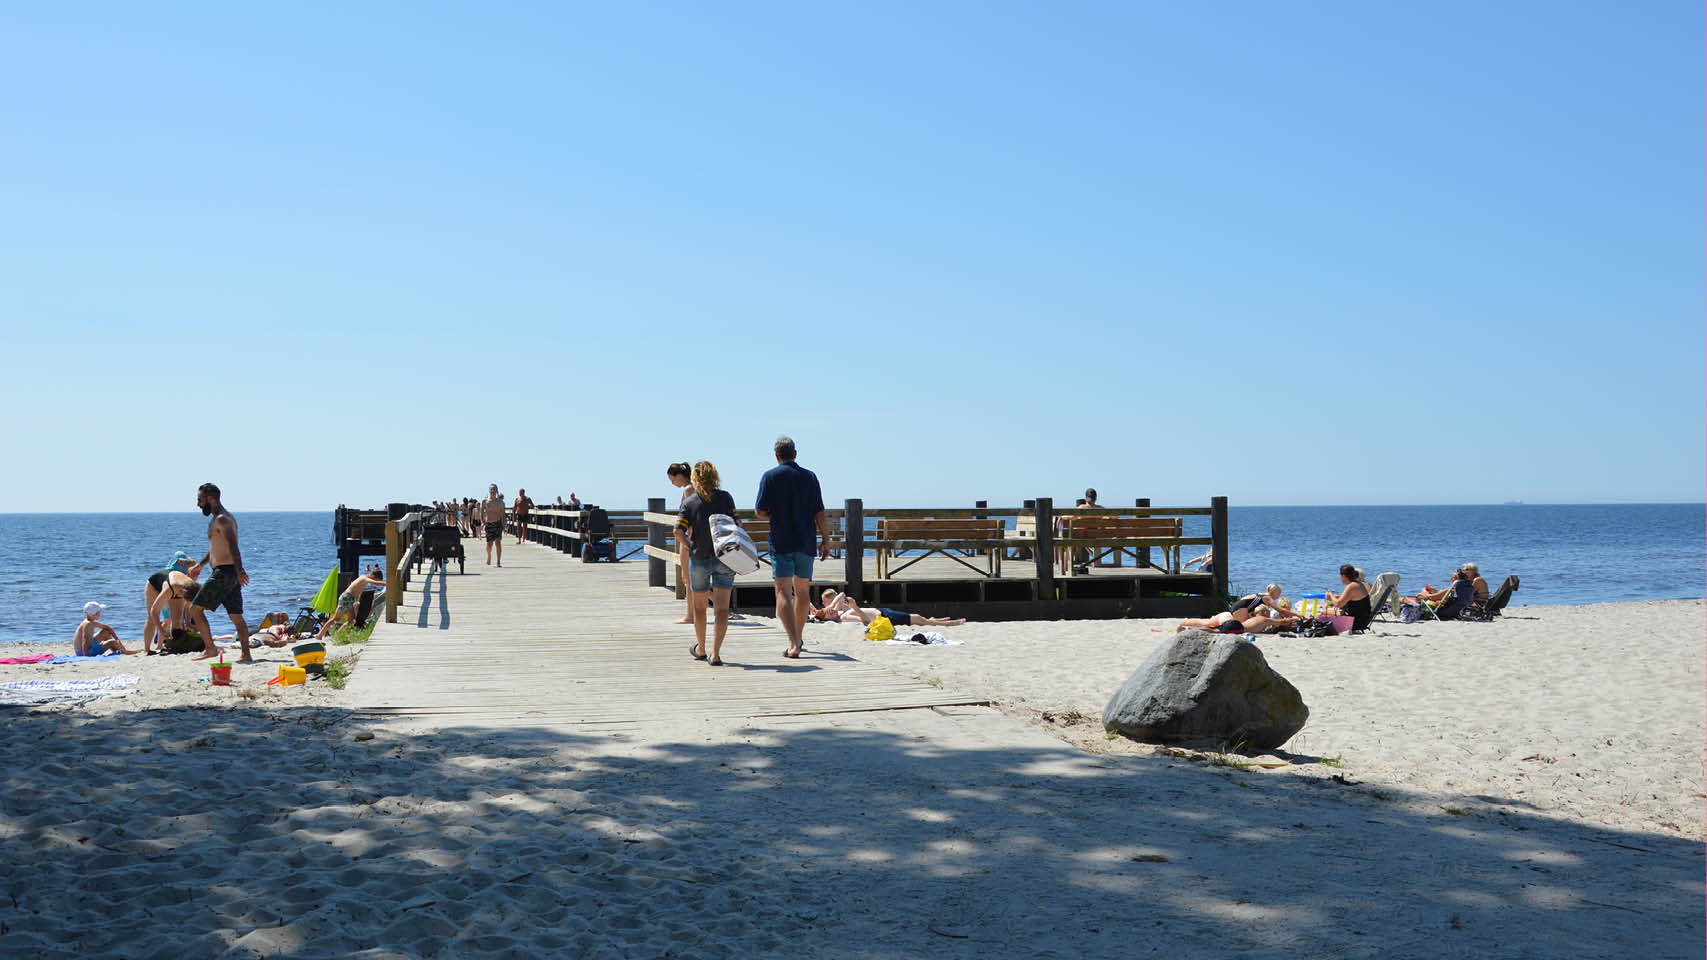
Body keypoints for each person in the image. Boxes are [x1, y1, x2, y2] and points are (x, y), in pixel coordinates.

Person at [754, 436, 829, 659]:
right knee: (803, 591)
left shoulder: (770, 476)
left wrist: (773, 513)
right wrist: (826, 540)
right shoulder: (810, 476)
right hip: (806, 540)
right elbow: (820, 512)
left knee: (783, 592)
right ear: (795, 454)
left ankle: (793, 641)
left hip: (781, 540)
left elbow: (760, 510)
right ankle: (799, 636)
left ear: (777, 456)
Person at [677, 461, 738, 666]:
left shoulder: (690, 502)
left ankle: (701, 648)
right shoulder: (725, 497)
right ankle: (716, 653)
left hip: (699, 557)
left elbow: (678, 531)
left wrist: (688, 545)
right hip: (725, 557)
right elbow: (737, 524)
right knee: (721, 609)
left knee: (700, 608)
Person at [186, 483, 253, 661]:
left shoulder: (223, 519)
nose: (198, 504)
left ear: (211, 499)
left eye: (200, 500)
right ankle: (246, 654)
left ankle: (210, 648)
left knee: (195, 609)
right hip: (228, 572)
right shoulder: (219, 519)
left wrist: (240, 570)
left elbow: (233, 546)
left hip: (225, 572)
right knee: (236, 616)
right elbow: (216, 548)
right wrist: (200, 565)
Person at [142, 551, 198, 654]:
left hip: (177, 587)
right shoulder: (171, 587)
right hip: (155, 585)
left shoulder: (189, 585)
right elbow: (154, 611)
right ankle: (146, 649)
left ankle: (175, 645)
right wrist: (161, 630)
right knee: (151, 619)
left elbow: (189, 606)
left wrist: (189, 622)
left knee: (177, 621)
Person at [813, 589, 965, 627]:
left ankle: (932, 620)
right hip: (884, 618)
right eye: (829, 613)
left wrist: (832, 605)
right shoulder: (843, 617)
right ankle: (947, 624)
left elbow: (842, 594)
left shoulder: (839, 609)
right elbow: (865, 621)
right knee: (917, 619)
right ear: (829, 618)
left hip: (883, 611)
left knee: (917, 617)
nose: (831, 611)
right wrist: (857, 609)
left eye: (829, 609)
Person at [666, 462, 698, 625]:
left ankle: (690, 615)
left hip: (688, 537)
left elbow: (690, 515)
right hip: (689, 537)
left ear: (679, 476)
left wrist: (686, 538)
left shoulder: (688, 490)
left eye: (672, 480)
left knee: (688, 578)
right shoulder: (692, 488)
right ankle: (723, 608)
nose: (672, 483)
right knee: (688, 578)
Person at [315, 568, 385, 641]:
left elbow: (355, 589)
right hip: (346, 598)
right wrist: (387, 584)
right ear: (372, 575)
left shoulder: (362, 579)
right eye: (376, 579)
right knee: (337, 619)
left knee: (350, 620)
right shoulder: (364, 578)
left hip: (349, 598)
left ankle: (336, 636)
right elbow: (376, 583)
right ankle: (321, 635)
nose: (375, 581)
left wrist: (356, 600)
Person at [1325, 564, 1373, 632]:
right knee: (1327, 610)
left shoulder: (1351, 586)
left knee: (1324, 611)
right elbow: (1351, 597)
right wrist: (1336, 596)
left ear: (1343, 576)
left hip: (1355, 623)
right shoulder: (1358, 584)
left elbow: (1338, 604)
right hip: (1362, 620)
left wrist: (1330, 595)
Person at [482, 484, 505, 566]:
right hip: (489, 524)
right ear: (489, 490)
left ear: (496, 491)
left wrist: (504, 526)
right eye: (491, 489)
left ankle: (498, 561)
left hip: (498, 523)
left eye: (494, 489)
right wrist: (483, 522)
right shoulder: (485, 501)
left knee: (498, 542)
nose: (492, 491)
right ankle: (489, 556)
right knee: (489, 544)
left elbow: (503, 515)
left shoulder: (500, 502)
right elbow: (482, 513)